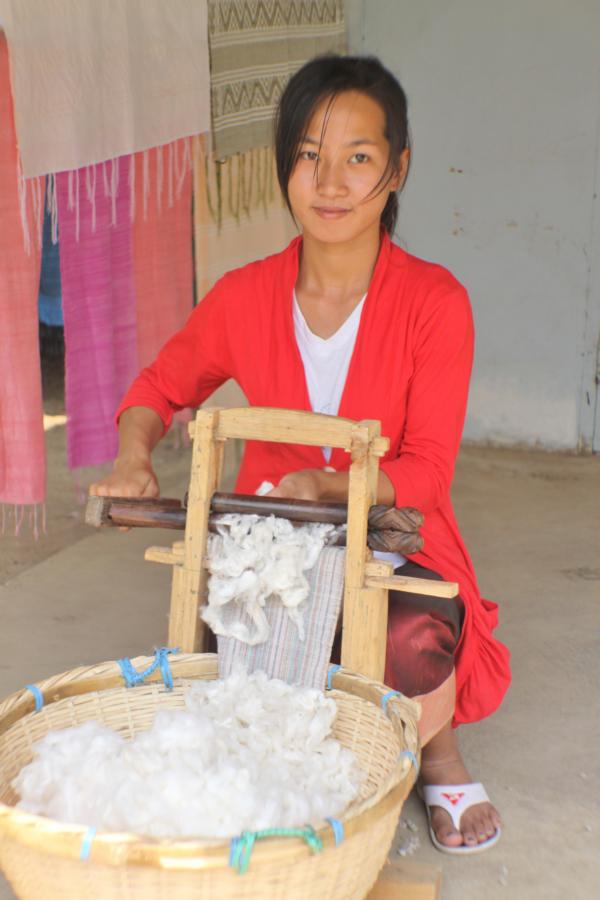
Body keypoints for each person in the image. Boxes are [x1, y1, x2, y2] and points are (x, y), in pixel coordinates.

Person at [91, 55, 510, 853]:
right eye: (310, 154)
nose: (330, 180)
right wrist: (133, 452)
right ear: (285, 164)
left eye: (358, 157)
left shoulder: (435, 303)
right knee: (229, 647)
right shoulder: (245, 295)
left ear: (398, 169)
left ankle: (438, 753)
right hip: (271, 545)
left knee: (403, 641)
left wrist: (338, 484)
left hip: (396, 538)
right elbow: (158, 384)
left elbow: (425, 471)